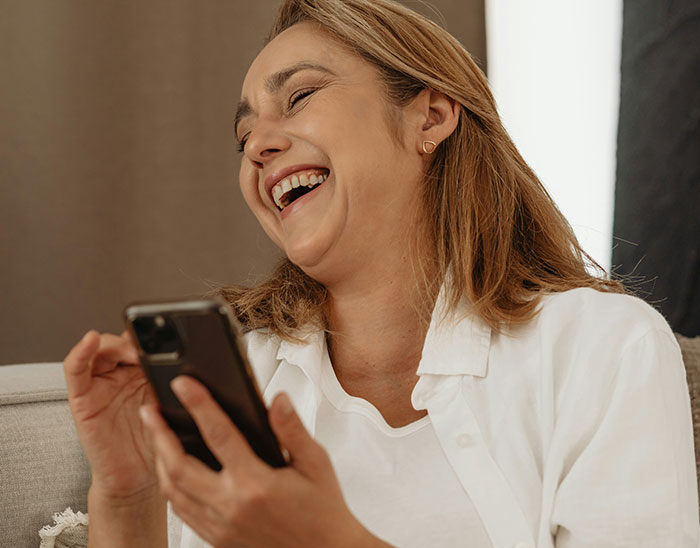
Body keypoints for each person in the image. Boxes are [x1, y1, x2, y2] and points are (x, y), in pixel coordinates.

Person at [62, 0, 699, 546]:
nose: (258, 145)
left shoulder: (604, 350)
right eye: (244, 135)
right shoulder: (240, 381)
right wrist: (129, 499)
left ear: (431, 115)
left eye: (300, 96)